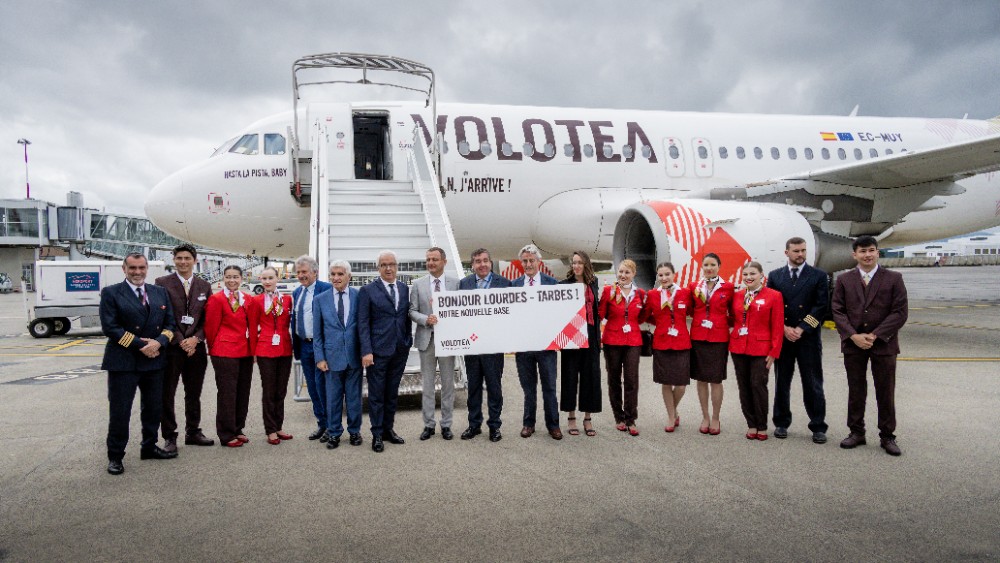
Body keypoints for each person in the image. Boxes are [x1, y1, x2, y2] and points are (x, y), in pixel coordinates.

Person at [100, 253, 178, 475]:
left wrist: (159, 342)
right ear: (124, 269)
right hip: (124, 362)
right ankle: (115, 456)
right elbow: (110, 327)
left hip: (154, 361)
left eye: (141, 267)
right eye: (132, 268)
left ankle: (149, 447)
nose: (137, 272)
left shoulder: (159, 292)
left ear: (147, 269)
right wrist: (141, 345)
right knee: (120, 411)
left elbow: (170, 324)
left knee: (153, 409)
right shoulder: (111, 293)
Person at [832, 235, 908, 456]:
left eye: (871, 250)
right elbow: (837, 310)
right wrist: (853, 335)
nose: (867, 255)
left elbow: (900, 312)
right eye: (862, 251)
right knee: (856, 390)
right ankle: (856, 432)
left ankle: (887, 435)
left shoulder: (894, 278)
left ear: (877, 252)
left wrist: (876, 335)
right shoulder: (844, 280)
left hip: (883, 344)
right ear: (854, 255)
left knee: (885, 391)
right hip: (854, 345)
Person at [767, 237, 829, 444]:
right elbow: (771, 306)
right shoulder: (775, 276)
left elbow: (821, 306)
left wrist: (802, 328)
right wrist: (783, 328)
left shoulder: (818, 275)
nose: (800, 254)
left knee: (812, 383)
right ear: (787, 253)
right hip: (784, 337)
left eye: (803, 250)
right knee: (782, 382)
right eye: (796, 251)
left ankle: (818, 426)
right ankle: (781, 422)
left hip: (807, 338)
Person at [154, 243, 214, 452]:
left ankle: (193, 432)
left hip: (196, 348)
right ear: (174, 260)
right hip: (172, 347)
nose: (183, 262)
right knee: (167, 393)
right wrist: (181, 340)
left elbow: (208, 319)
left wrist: (196, 339)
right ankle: (169, 436)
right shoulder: (162, 283)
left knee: (194, 393)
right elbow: (163, 316)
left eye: (187, 258)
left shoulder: (204, 286)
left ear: (194, 261)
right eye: (179, 258)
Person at [358, 250, 412, 453]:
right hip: (377, 352)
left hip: (399, 350)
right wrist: (366, 351)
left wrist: (407, 341)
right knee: (377, 395)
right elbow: (363, 323)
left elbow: (404, 317)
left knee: (391, 393)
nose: (388, 268)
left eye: (392, 264)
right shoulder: (367, 291)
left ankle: (388, 429)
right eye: (384, 265)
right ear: (378, 268)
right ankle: (377, 434)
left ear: (397, 266)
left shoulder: (404, 288)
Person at [458, 248, 511, 442]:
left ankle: (494, 426)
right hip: (472, 345)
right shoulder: (464, 284)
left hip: (494, 346)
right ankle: (474, 425)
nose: (482, 264)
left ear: (490, 262)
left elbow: (511, 314)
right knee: (473, 387)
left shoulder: (504, 284)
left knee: (494, 387)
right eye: (478, 261)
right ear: (472, 265)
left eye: (485, 260)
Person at [205, 265, 260, 448]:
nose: (232, 280)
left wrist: (253, 351)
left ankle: (237, 428)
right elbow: (210, 327)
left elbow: (252, 326)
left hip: (244, 350)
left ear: (241, 278)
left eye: (235, 277)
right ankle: (226, 433)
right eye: (228, 277)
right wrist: (214, 348)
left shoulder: (247, 299)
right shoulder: (216, 299)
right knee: (227, 393)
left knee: (243, 391)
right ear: (223, 278)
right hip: (224, 351)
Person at [409, 247, 460, 441]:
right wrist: (425, 319)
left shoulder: (455, 284)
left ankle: (446, 424)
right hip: (427, 340)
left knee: (448, 384)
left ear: (444, 262)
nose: (430, 263)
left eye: (435, 259)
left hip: (448, 340)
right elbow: (412, 311)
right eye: (428, 259)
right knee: (428, 385)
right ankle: (428, 425)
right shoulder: (418, 284)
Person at [511, 244, 562, 440]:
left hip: (546, 346)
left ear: (539, 262)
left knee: (549, 387)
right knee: (528, 389)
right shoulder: (514, 285)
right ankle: (528, 424)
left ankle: (553, 425)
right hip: (524, 346)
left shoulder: (552, 284)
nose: (528, 264)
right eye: (525, 261)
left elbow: (558, 313)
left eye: (531, 260)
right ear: (521, 263)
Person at [729, 261, 784, 441]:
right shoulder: (738, 296)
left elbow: (777, 326)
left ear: (762, 275)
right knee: (743, 386)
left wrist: (774, 352)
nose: (749, 277)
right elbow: (733, 318)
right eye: (745, 274)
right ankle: (751, 424)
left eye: (752, 274)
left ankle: (762, 425)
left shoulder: (774, 296)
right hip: (739, 347)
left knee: (758, 385)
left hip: (761, 349)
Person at [314, 261, 363, 449]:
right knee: (333, 399)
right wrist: (320, 357)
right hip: (331, 358)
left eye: (340, 274)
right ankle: (334, 432)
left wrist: (365, 352)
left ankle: (354, 431)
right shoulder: (320, 299)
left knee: (354, 398)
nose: (336, 278)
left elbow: (364, 327)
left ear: (349, 276)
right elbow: (317, 333)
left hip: (354, 357)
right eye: (332, 274)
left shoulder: (359, 296)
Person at [639, 262, 692, 433]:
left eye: (667, 274)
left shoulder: (684, 293)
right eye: (660, 275)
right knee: (666, 382)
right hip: (661, 342)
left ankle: (674, 410)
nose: (664, 278)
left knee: (681, 384)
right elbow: (645, 316)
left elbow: (692, 312)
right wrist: (661, 323)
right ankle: (671, 416)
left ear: (674, 274)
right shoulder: (653, 294)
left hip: (681, 342)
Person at [599, 259, 646, 436]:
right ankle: (619, 417)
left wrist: (630, 324)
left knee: (631, 380)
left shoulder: (640, 293)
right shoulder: (608, 291)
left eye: (627, 272)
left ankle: (631, 418)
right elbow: (600, 314)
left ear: (633, 274)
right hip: (612, 340)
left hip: (633, 341)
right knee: (614, 379)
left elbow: (642, 317)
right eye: (620, 272)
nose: (623, 275)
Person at [688, 253, 733, 436]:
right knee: (701, 379)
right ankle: (705, 416)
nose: (709, 268)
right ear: (702, 267)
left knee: (715, 379)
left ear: (719, 266)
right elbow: (690, 309)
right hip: (698, 336)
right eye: (706, 265)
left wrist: (719, 323)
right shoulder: (694, 286)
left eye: (712, 264)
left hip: (719, 338)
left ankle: (715, 417)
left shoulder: (728, 287)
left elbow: (734, 313)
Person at [559, 251, 602, 437]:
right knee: (570, 376)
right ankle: (571, 417)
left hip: (591, 334)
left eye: (580, 263)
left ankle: (587, 418)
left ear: (586, 265)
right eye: (574, 262)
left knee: (590, 376)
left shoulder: (593, 283)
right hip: (572, 334)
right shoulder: (564, 285)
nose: (576, 266)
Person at [290, 256, 332, 442]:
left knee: (323, 387)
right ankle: (322, 424)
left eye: (304, 272)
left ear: (315, 272)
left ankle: (332, 425)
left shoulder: (326, 289)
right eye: (298, 272)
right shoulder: (297, 292)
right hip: (304, 345)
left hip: (320, 346)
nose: (301, 275)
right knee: (313, 388)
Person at [252, 267, 294, 445]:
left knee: (281, 390)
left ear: (278, 279)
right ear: (261, 280)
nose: (267, 281)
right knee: (269, 390)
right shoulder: (256, 301)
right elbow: (252, 327)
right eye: (264, 279)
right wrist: (253, 351)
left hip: (284, 348)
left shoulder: (287, 299)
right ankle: (270, 429)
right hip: (265, 349)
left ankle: (278, 426)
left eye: (271, 278)